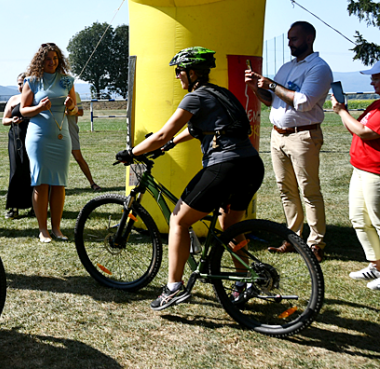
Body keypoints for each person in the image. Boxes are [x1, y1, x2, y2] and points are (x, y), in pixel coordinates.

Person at [117, 47, 264, 310]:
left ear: (192, 72)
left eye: (179, 71)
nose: (177, 77)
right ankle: (243, 282)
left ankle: (174, 288)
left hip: (226, 166)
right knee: (229, 225)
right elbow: (198, 128)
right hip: (251, 165)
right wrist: (172, 144)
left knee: (178, 219)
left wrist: (132, 152)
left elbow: (161, 133)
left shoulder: (195, 98)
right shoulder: (222, 94)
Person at [245, 20, 332, 262]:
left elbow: (304, 101)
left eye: (294, 38)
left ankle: (316, 244)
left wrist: (272, 84)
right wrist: (255, 87)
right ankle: (293, 238)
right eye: (288, 38)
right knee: (286, 190)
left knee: (309, 191)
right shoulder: (287, 67)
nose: (289, 43)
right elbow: (270, 99)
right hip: (278, 134)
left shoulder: (319, 68)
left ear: (308, 39)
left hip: (303, 135)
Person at [20, 43, 77, 243]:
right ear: (40, 61)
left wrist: (71, 106)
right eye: (47, 59)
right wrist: (39, 107)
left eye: (55, 58)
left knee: (59, 183)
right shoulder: (32, 81)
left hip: (61, 138)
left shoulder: (67, 81)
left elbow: (74, 111)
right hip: (39, 137)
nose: (51, 62)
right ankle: (43, 229)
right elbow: (22, 110)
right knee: (41, 181)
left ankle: (57, 228)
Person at [331, 63, 380, 290]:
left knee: (378, 221)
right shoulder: (375, 105)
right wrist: (343, 111)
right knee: (359, 218)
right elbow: (356, 127)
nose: (372, 82)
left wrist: (342, 111)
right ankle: (375, 265)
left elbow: (365, 132)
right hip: (361, 169)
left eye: (377, 78)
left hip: (376, 173)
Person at [2, 73, 34, 219]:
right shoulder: (13, 99)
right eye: (19, 83)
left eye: (24, 83)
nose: (21, 86)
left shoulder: (35, 99)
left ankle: (35, 206)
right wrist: (12, 120)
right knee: (16, 170)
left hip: (33, 137)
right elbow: (4, 120)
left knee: (32, 171)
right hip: (16, 138)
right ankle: (14, 207)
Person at [67, 92, 101, 191]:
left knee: (78, 158)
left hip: (70, 129)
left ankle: (92, 183)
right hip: (54, 131)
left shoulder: (74, 94)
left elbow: (80, 112)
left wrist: (70, 110)